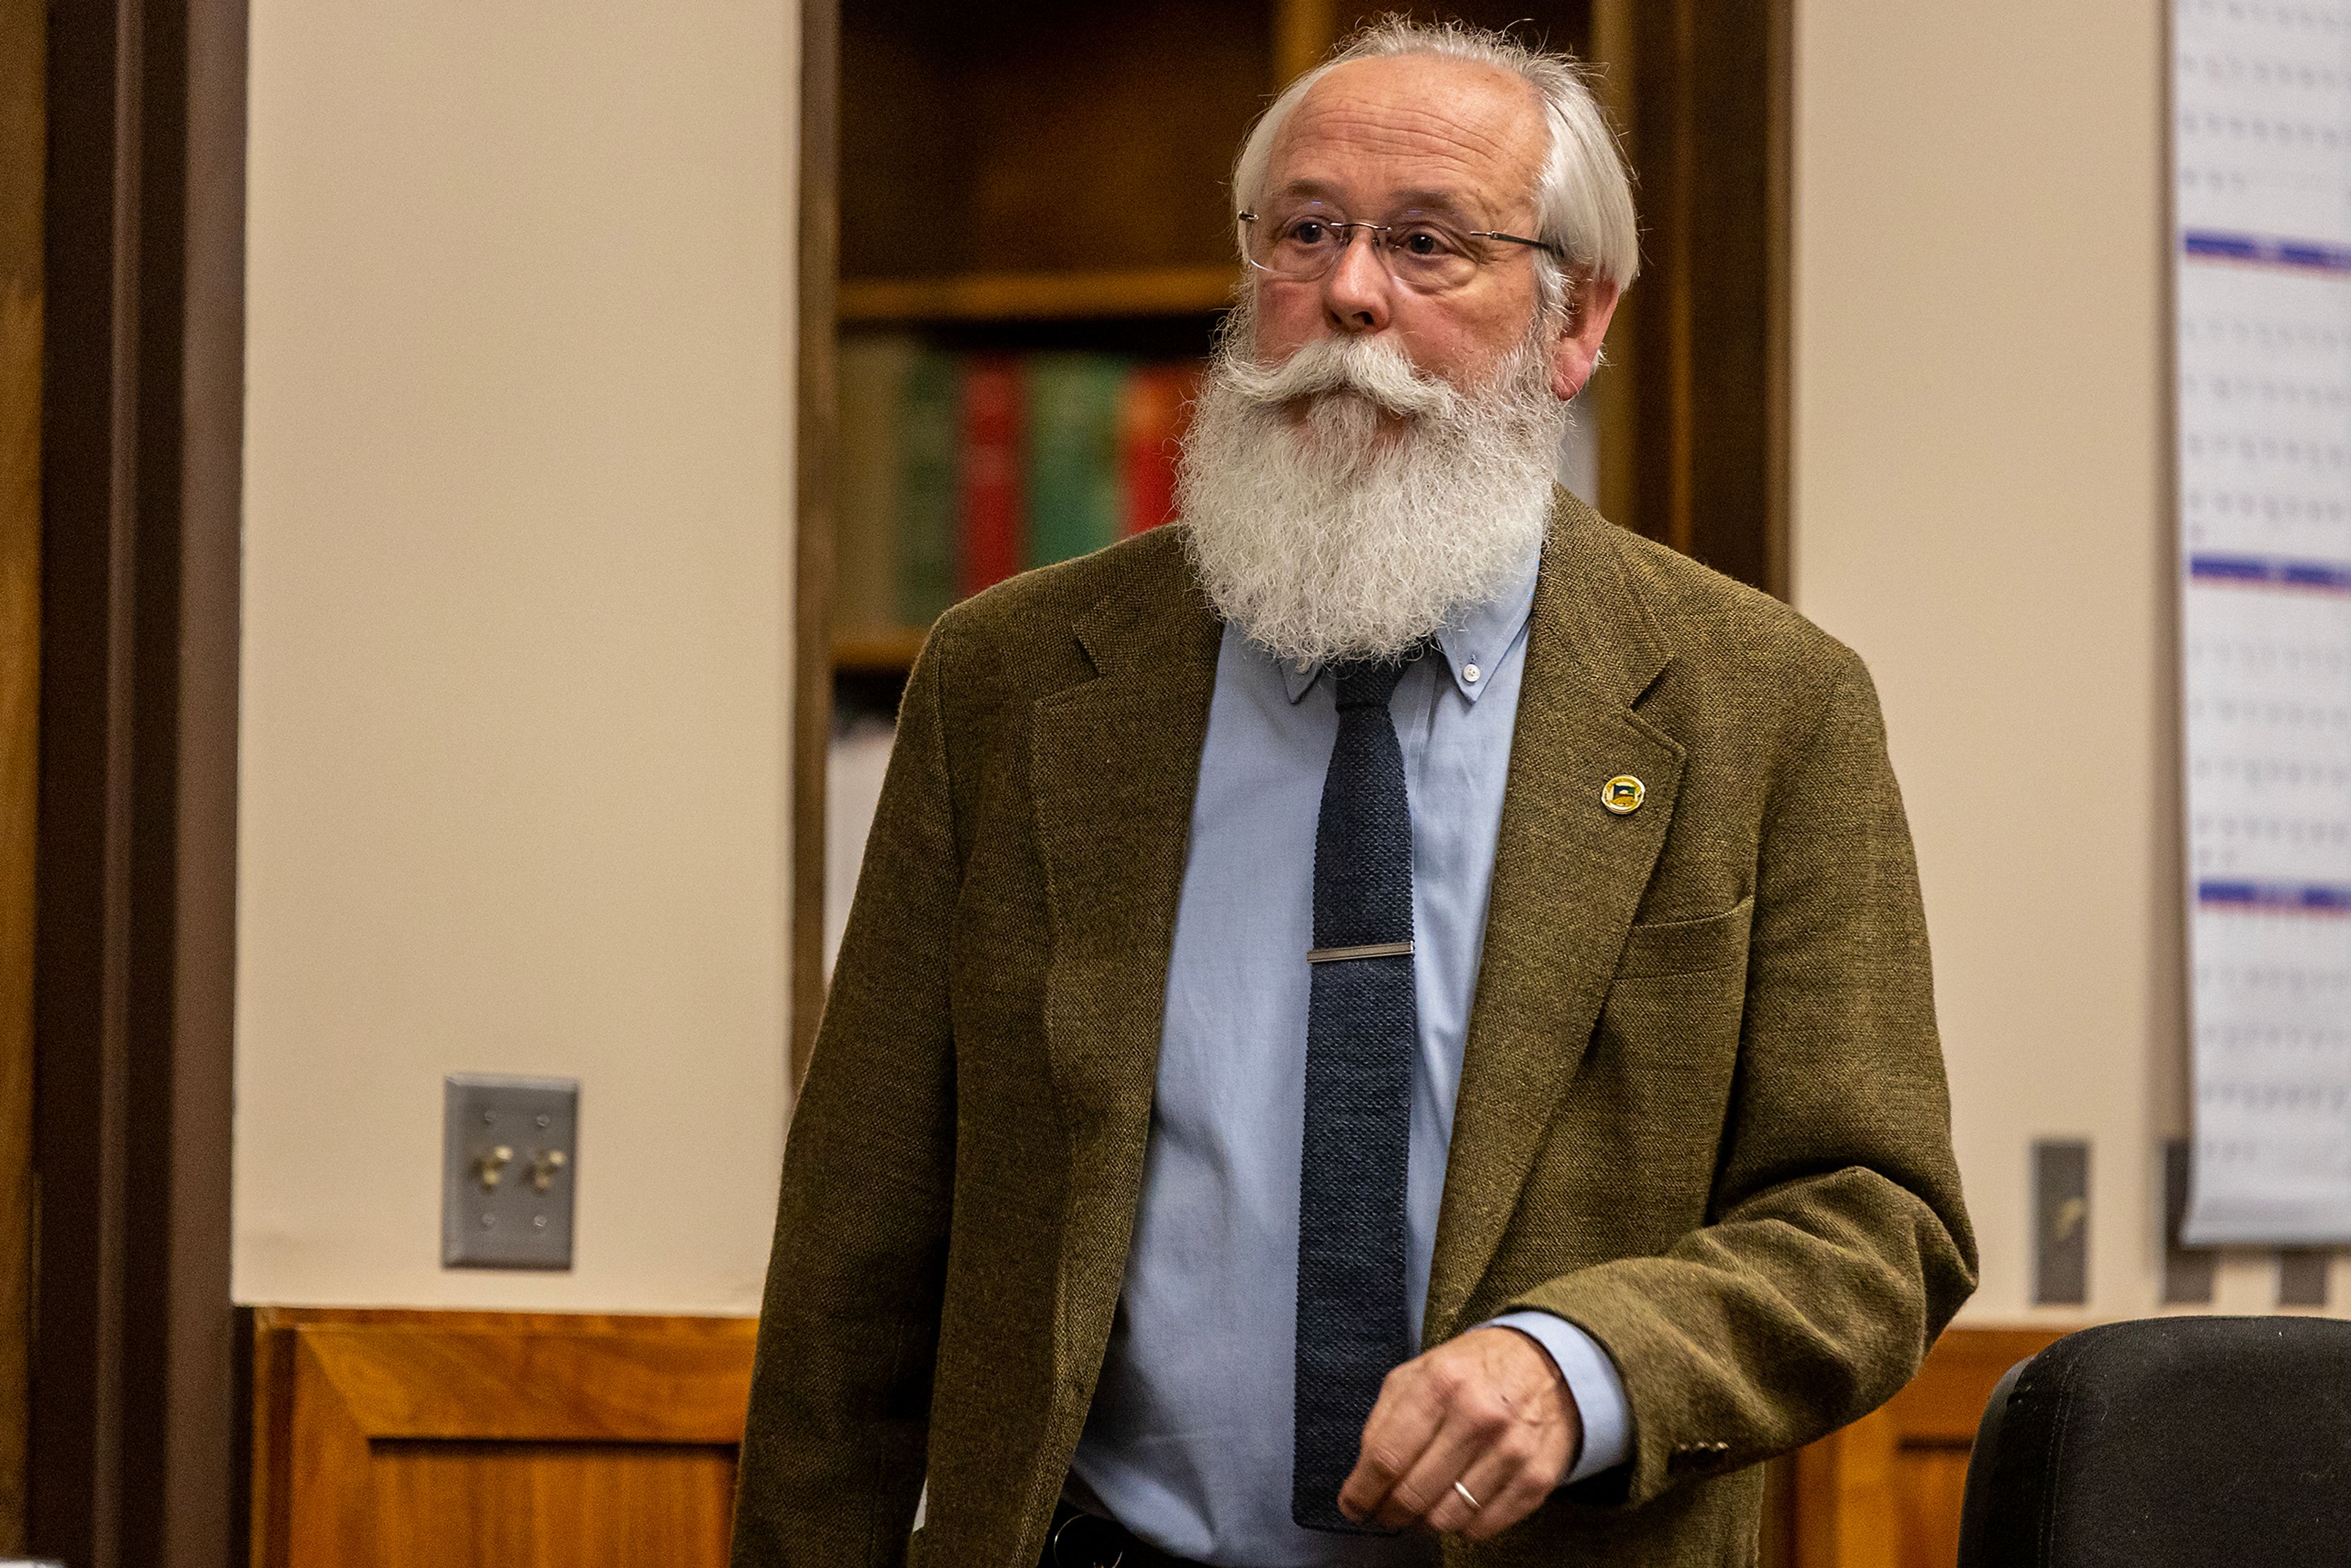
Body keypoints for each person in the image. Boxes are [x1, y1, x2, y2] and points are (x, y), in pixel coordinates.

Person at [732, 20, 1975, 1568]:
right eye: (1305, 231)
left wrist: (1577, 1368)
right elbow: (860, 1246)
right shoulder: (1015, 682)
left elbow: (1872, 1221)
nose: (1351, 294)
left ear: (1576, 319)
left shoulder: (1764, 707)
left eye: (1430, 245)